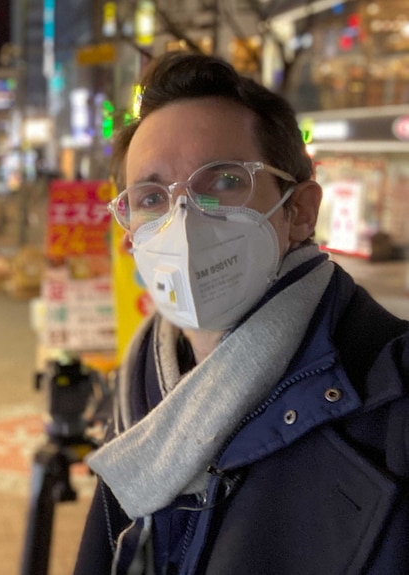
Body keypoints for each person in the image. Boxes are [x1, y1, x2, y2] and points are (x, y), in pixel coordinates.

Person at [74, 52, 409, 574]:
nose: (181, 219)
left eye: (224, 181)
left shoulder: (391, 401)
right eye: (150, 196)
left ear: (299, 210)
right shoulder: (139, 382)